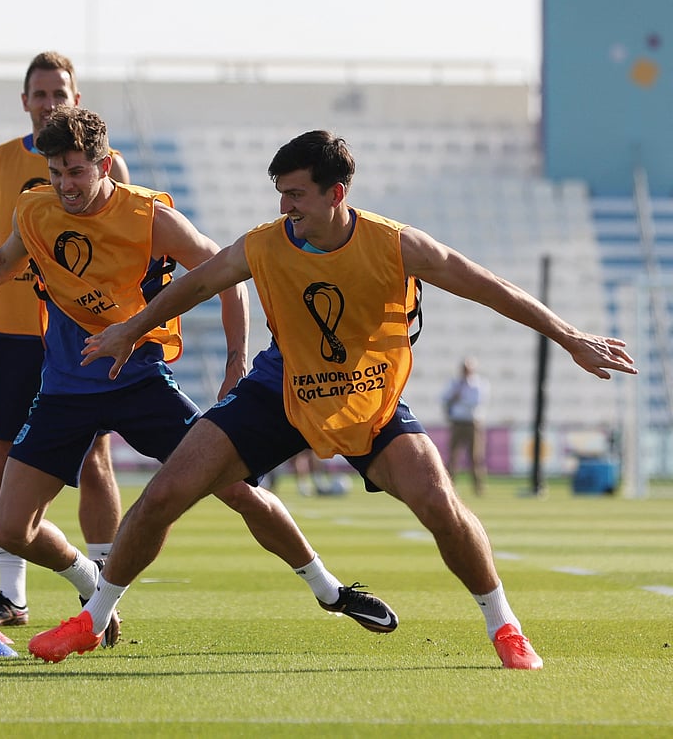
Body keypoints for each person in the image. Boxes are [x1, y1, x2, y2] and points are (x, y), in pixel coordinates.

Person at [39, 129, 638, 669]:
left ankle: (504, 626)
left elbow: (489, 287)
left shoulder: (395, 244)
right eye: (281, 193)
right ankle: (93, 620)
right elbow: (196, 284)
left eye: (297, 194)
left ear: (337, 193)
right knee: (165, 492)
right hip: (281, 389)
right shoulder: (264, 244)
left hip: (367, 399)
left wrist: (569, 337)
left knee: (439, 504)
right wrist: (131, 328)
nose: (285, 207)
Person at [0, 108, 397, 650]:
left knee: (238, 490)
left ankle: (329, 589)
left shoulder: (150, 217)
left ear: (104, 165)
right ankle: (89, 581)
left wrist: (236, 360)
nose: (65, 185)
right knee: (11, 529)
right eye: (56, 172)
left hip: (141, 383)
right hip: (65, 389)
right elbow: (0, 264)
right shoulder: (35, 209)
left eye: (76, 171)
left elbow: (226, 275)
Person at [0, 52, 132, 628]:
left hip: (80, 335)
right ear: (24, 100)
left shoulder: (108, 165)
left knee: (94, 457)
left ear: (76, 100)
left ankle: (102, 593)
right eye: (41, 94)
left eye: (60, 94)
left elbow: (131, 249)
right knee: (6, 457)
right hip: (13, 329)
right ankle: (12, 595)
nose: (50, 103)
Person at [443, 357, 489, 496]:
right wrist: (455, 399)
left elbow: (476, 402)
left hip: (472, 423)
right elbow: (444, 398)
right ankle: (449, 486)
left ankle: (478, 487)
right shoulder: (454, 383)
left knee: (475, 457)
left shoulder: (479, 384)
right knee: (453, 456)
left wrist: (458, 398)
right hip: (457, 422)